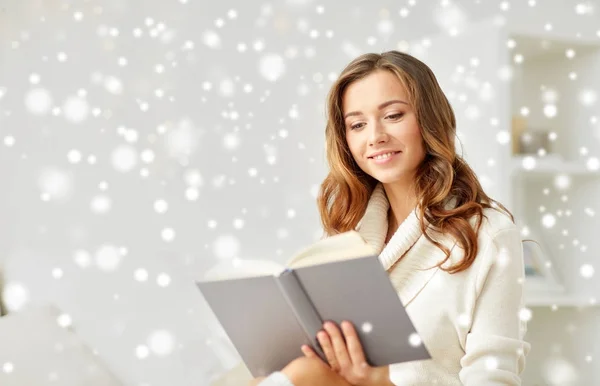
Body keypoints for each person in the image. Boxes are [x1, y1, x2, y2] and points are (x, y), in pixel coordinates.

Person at [251, 50, 531, 386]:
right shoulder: (345, 239)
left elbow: (494, 380)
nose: (375, 136)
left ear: (429, 119)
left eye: (394, 115)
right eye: (357, 125)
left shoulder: (489, 235)